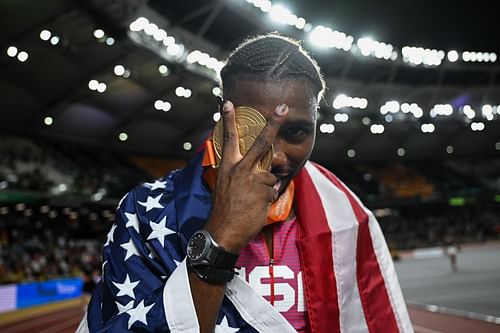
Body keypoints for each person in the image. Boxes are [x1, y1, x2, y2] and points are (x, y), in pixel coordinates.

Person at [77, 33, 413, 333]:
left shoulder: (347, 216)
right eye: (254, 131)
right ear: (223, 116)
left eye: (296, 132)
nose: (277, 157)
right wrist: (219, 240)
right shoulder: (145, 214)